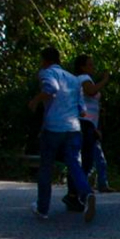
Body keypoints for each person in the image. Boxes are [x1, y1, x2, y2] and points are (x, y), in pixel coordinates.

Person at [28, 46, 96, 222]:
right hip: (73, 128)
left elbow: (51, 88)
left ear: (45, 61)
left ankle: (43, 208)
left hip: (53, 127)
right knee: (74, 164)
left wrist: (36, 100)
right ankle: (86, 193)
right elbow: (82, 109)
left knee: (46, 167)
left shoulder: (47, 73)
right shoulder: (74, 80)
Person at [65, 54, 112, 205]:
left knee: (86, 161)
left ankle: (75, 193)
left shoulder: (83, 79)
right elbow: (91, 91)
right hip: (83, 124)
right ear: (82, 67)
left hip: (88, 125)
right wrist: (105, 80)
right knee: (84, 161)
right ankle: (76, 193)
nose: (93, 67)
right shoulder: (83, 78)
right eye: (90, 64)